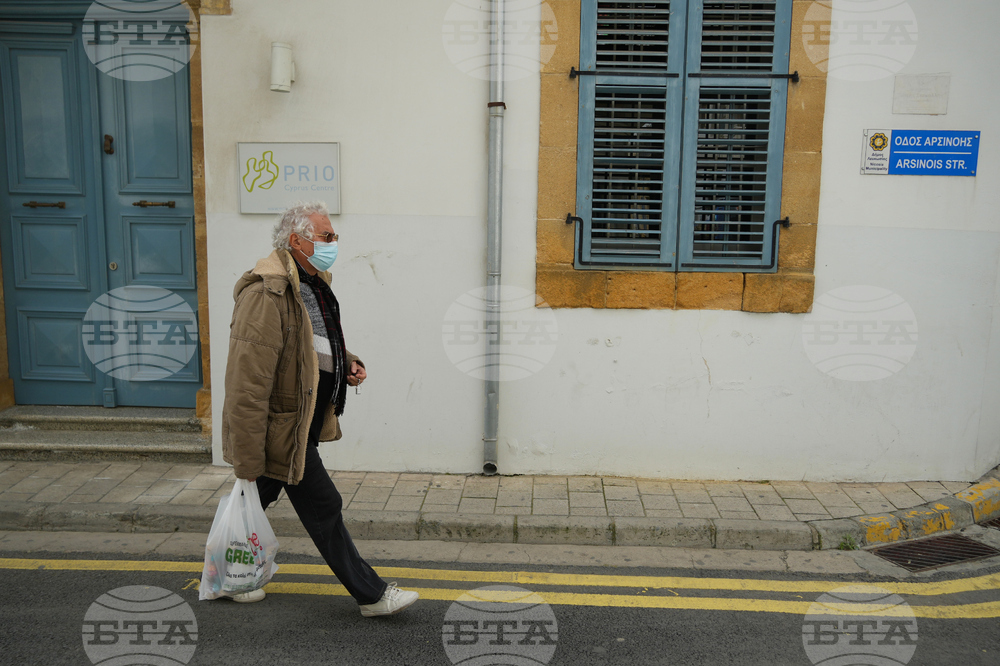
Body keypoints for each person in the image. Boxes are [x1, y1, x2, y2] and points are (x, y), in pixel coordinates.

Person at [221, 201, 419, 616]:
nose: (334, 243)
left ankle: (227, 575)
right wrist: (247, 455)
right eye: (326, 237)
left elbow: (311, 342)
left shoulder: (312, 283)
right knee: (323, 504)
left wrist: (346, 361)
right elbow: (247, 384)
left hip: (305, 419)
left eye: (333, 236)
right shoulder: (265, 294)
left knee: (254, 500)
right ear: (297, 241)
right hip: (284, 425)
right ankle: (373, 595)